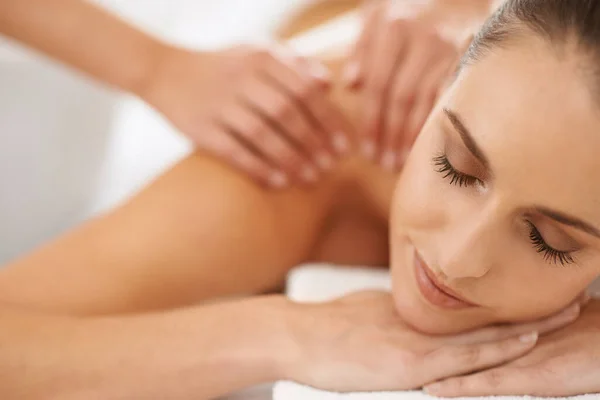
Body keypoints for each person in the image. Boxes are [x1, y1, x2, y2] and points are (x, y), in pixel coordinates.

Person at [1, 1, 598, 400]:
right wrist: (283, 336)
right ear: (445, 85)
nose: (459, 257)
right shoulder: (312, 149)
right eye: (456, 167)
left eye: (552, 240)